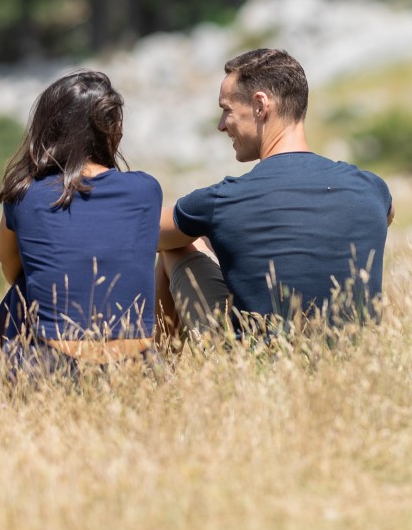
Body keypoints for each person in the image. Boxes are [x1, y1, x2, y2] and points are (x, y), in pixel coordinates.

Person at [156, 48, 393, 336]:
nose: (221, 125)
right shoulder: (372, 189)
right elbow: (386, 215)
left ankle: (158, 370)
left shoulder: (225, 200)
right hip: (356, 362)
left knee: (176, 246)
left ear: (260, 105)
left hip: (255, 364)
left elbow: (145, 233)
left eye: (226, 109)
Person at [0, 70, 162, 382]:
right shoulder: (146, 189)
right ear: (112, 129)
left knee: (23, 289)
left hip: (52, 365)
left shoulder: (24, 194)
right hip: (137, 366)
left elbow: (12, 271)